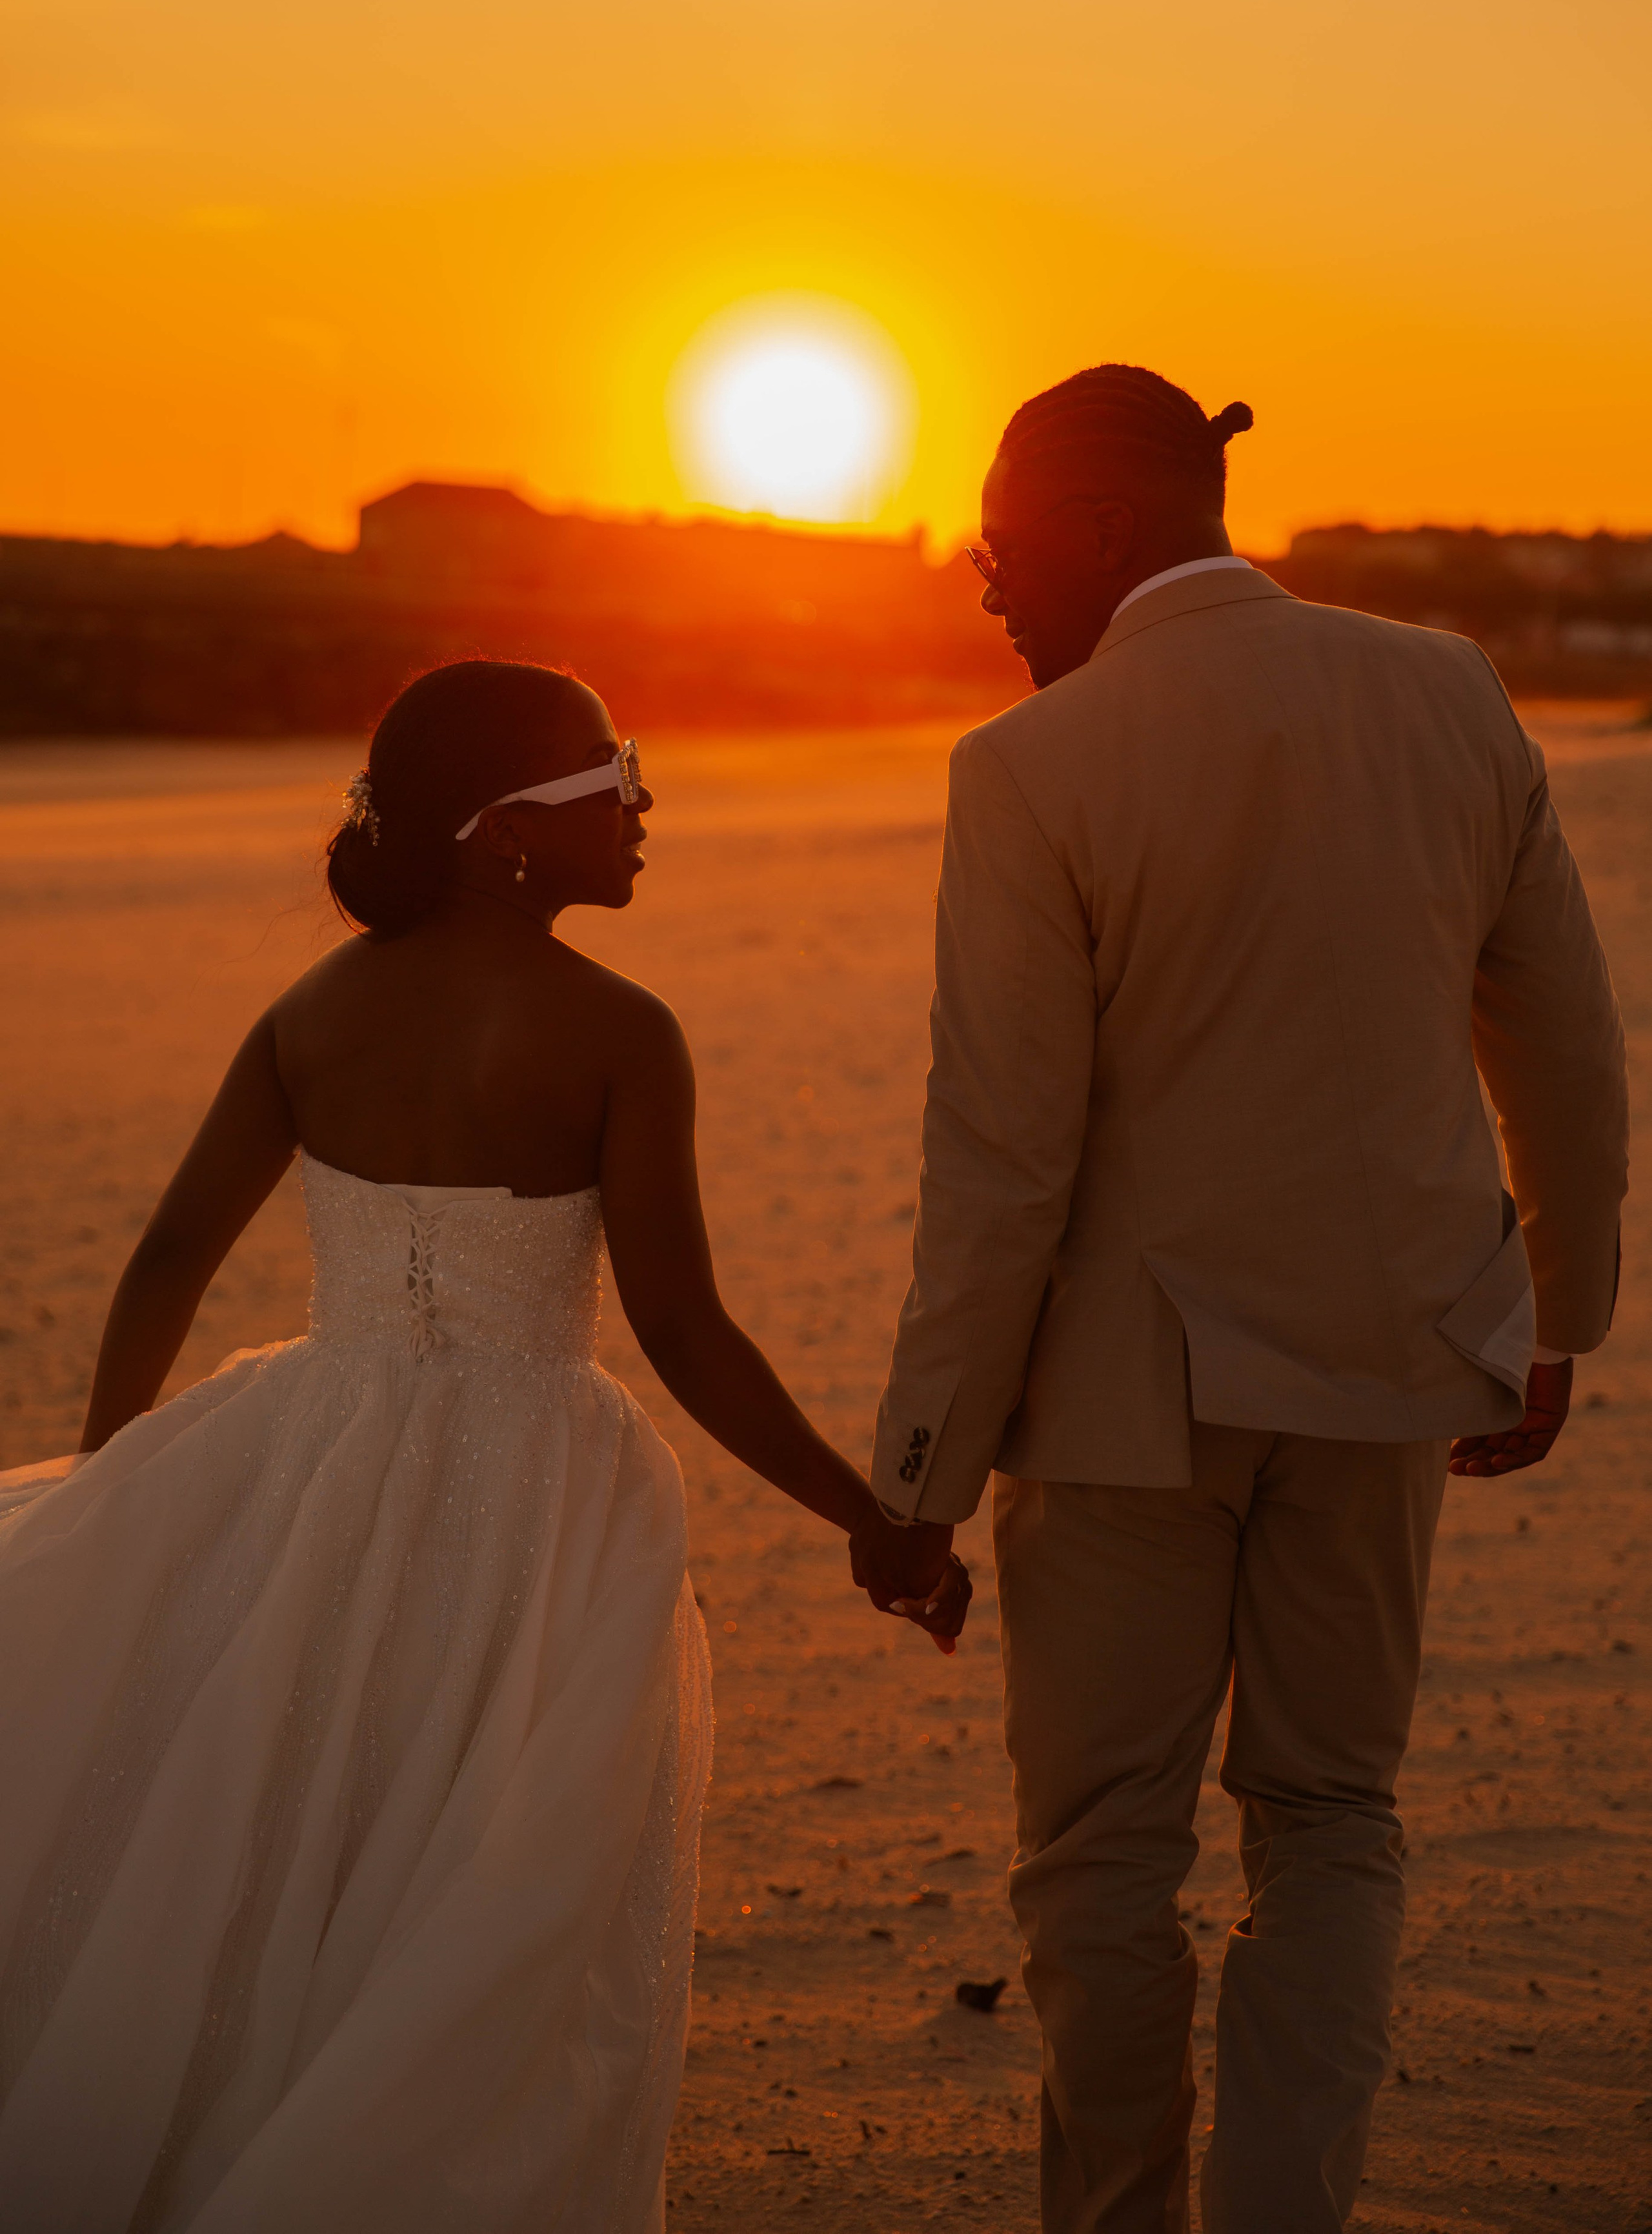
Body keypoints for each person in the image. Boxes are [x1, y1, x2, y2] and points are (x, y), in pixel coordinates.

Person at [0, 656, 969, 2234]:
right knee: (482, 1885)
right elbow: (683, 1332)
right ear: (508, 833)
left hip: (302, 1466)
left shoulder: (310, 1012)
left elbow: (170, 1253)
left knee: (293, 1830)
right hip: (527, 1506)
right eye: (616, 774)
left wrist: (119, 1485)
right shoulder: (617, 1034)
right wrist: (866, 1518)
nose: (645, 803)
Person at [858, 367, 1629, 2233]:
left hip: (1128, 1407)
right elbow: (1569, 1052)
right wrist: (1557, 1315)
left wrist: (921, 1474)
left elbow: (1005, 1162)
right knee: (1334, 1819)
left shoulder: (1030, 766)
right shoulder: (1449, 693)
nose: (985, 589)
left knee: (1102, 1856)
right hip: (1393, 1366)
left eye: (1000, 548)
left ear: (1106, 528)